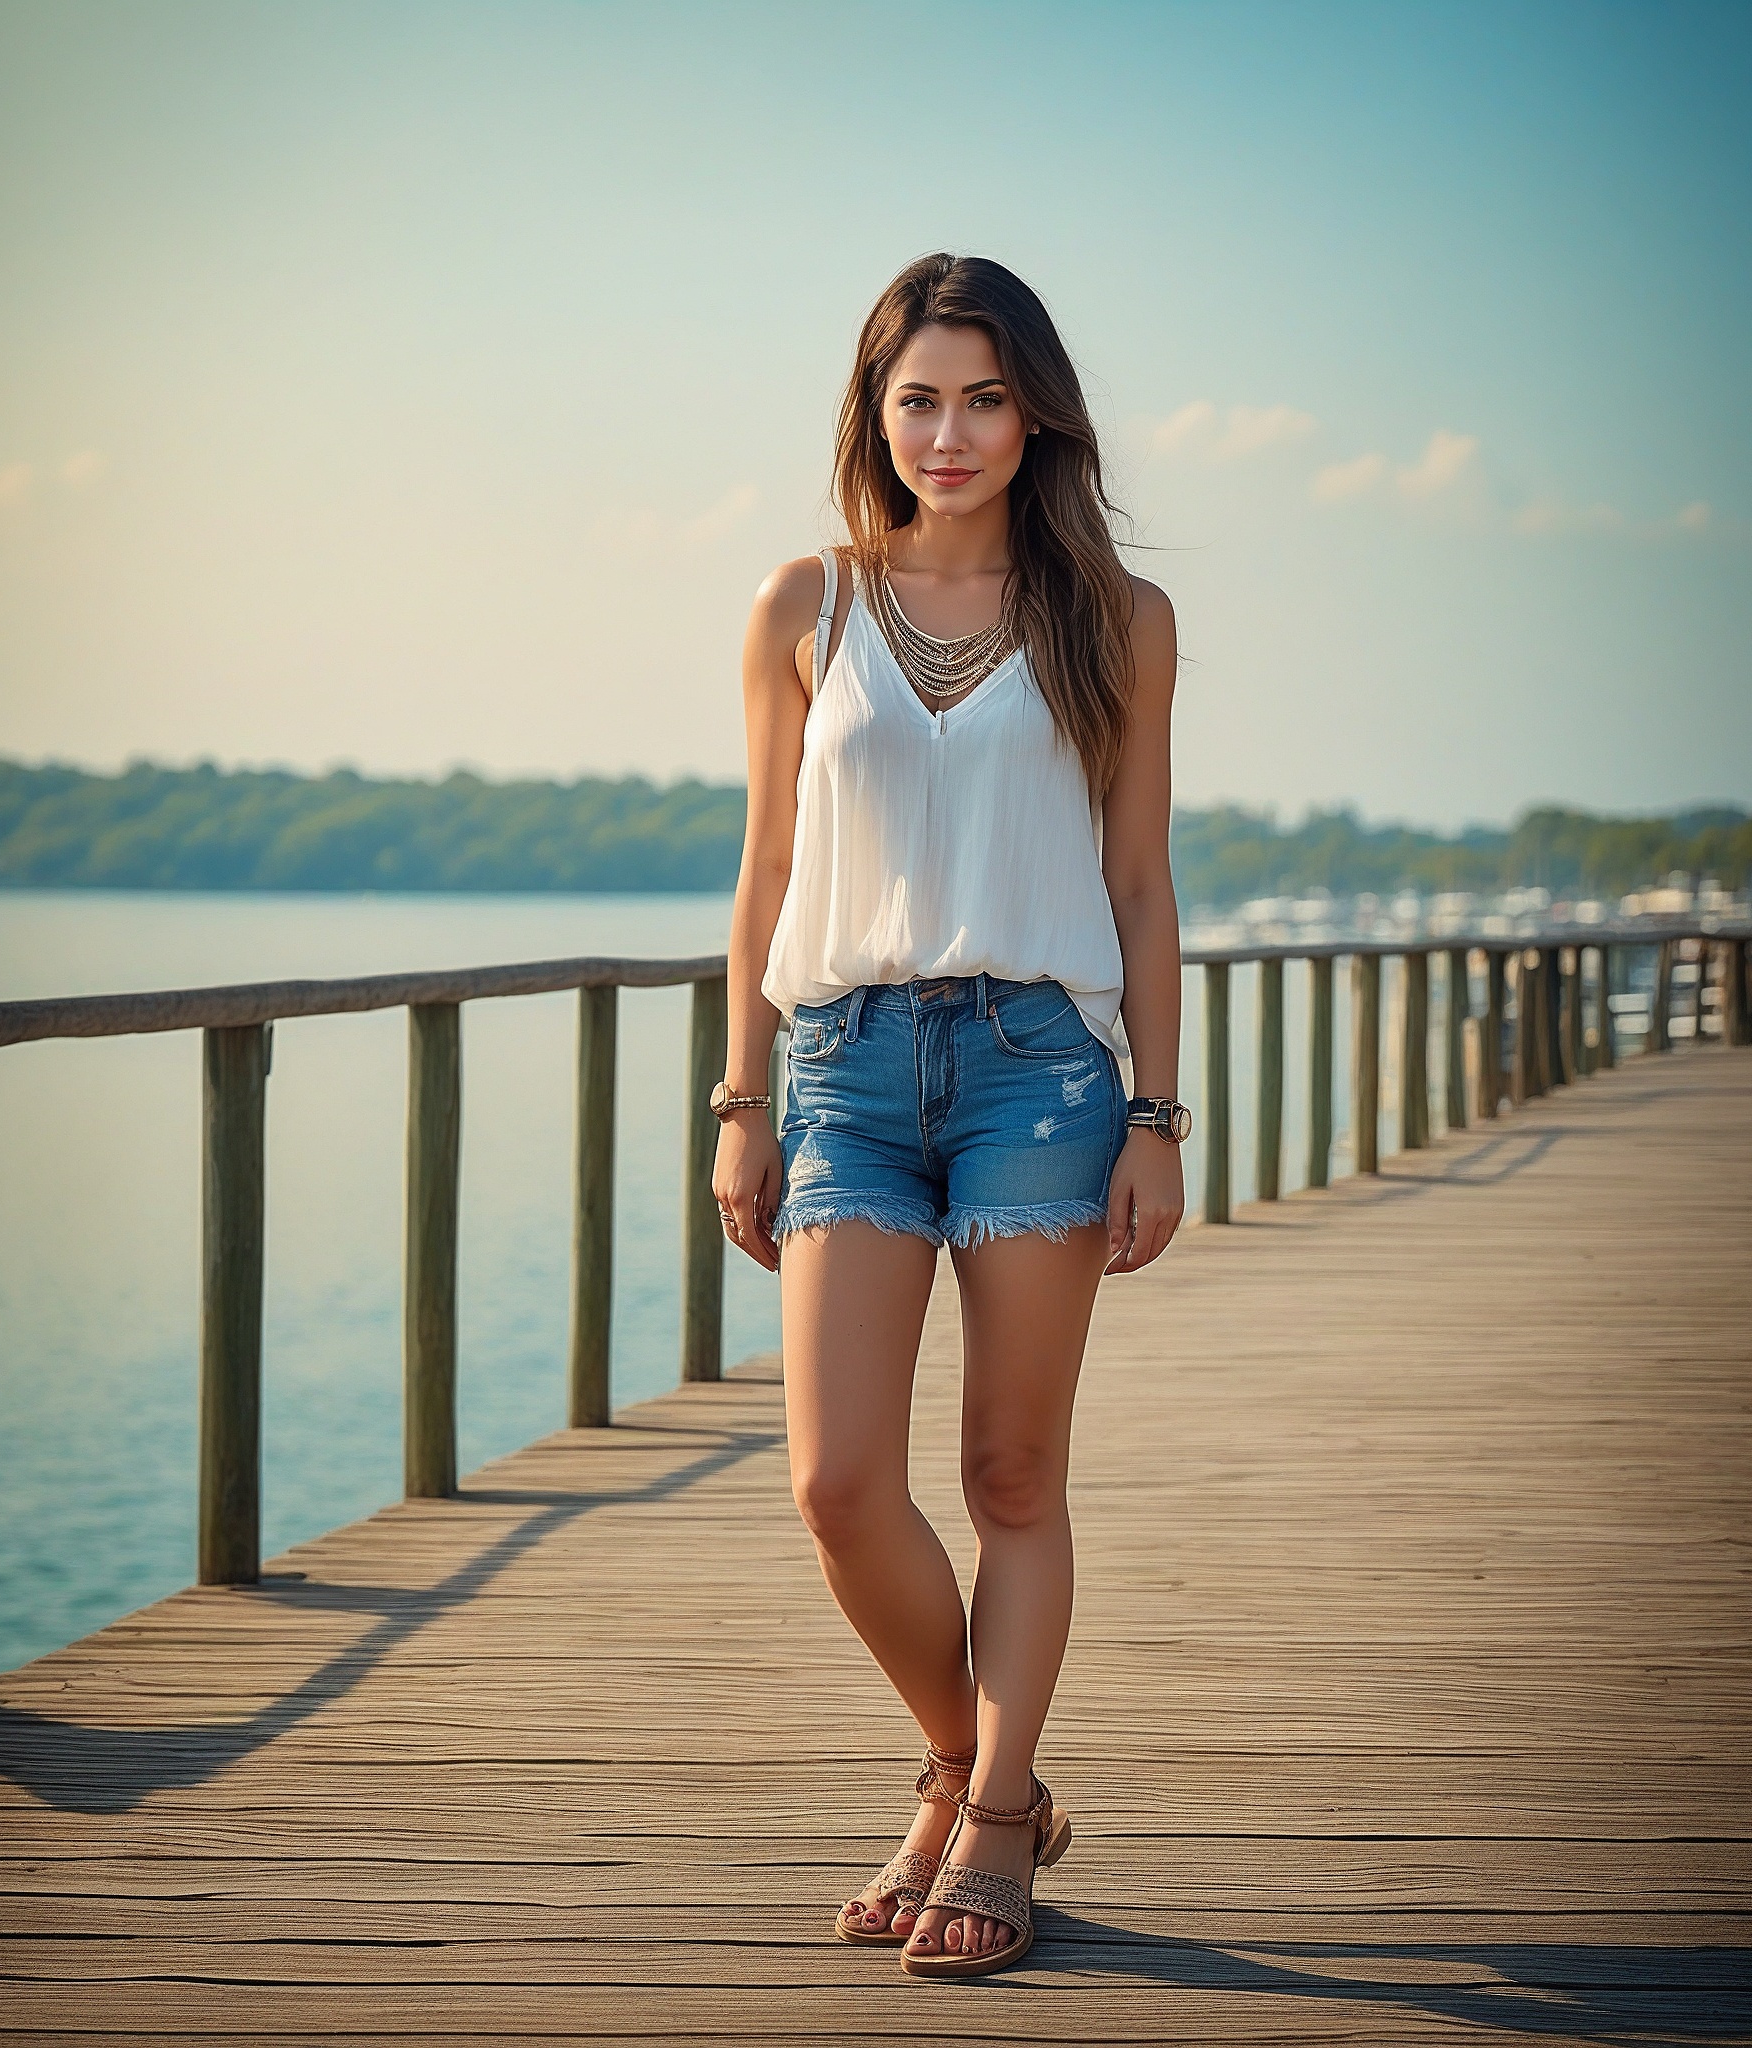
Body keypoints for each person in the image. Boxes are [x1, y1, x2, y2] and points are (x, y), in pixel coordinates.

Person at [710, 252, 1187, 1981]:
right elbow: (764, 872)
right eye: (920, 396)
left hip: (1041, 1072)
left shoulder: (1118, 622)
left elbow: (1139, 885)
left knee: (1007, 1470)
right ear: (877, 411)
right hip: (839, 1068)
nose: (951, 430)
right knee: (839, 1483)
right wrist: (740, 1093)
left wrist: (1158, 1113)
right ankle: (974, 1764)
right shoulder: (805, 608)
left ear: (1036, 410)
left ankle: (988, 1828)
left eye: (985, 396)